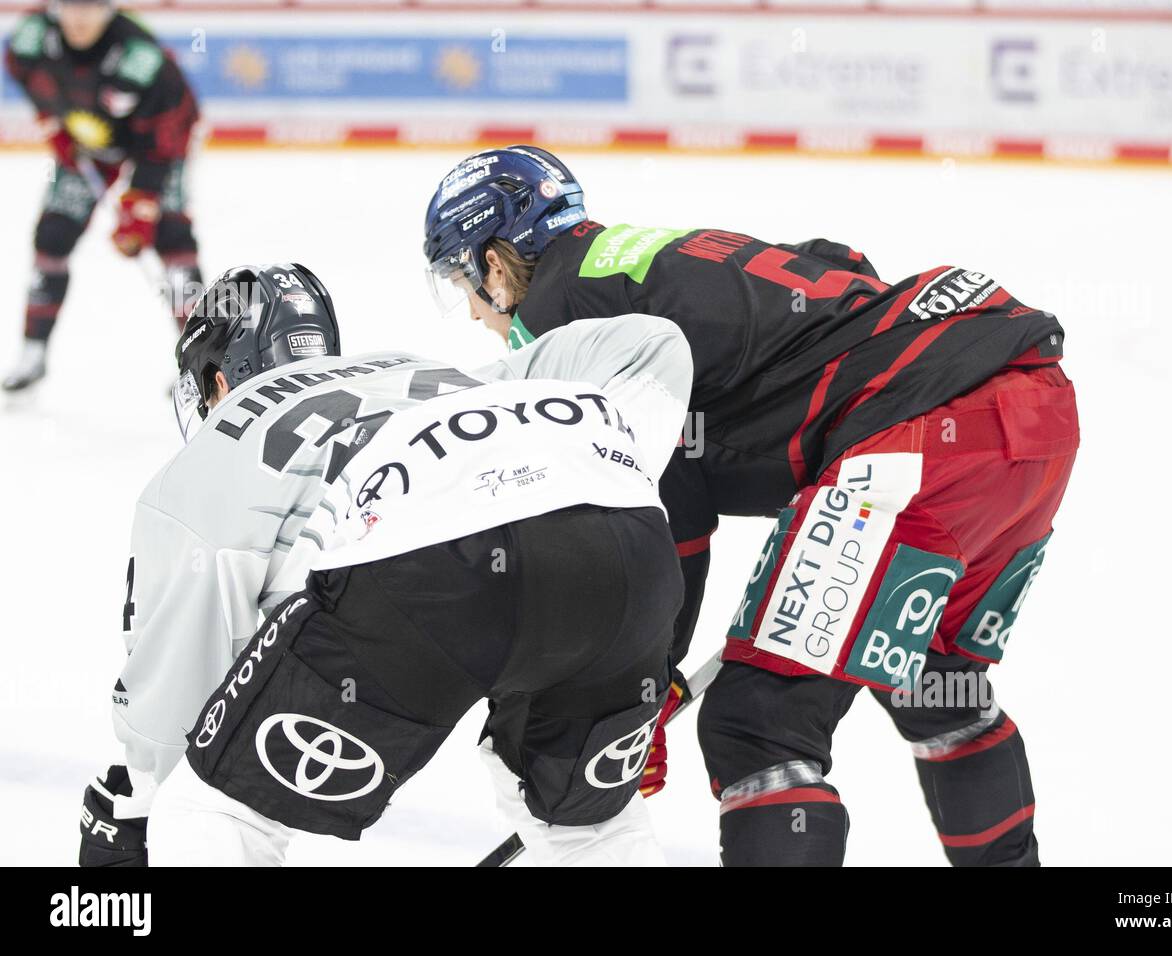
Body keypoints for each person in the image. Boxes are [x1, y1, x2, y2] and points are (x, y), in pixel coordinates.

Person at [422, 145, 1080, 866]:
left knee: (760, 725)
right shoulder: (638, 258)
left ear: (493, 263)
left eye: (464, 280)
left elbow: (663, 516)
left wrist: (642, 685)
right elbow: (839, 261)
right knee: (935, 683)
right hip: (1028, 414)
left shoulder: (564, 316)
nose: (479, 316)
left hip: (915, 440)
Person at [115, 264, 691, 867]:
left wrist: (136, 805)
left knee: (215, 810)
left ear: (219, 379)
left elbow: (174, 701)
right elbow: (655, 342)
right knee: (590, 830)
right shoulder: (425, 370)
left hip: (426, 574)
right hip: (626, 544)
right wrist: (587, 487)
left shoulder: (227, 435)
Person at [3, 0, 202, 392]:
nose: (79, 18)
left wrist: (140, 204)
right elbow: (20, 69)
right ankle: (33, 351)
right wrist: (51, 121)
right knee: (53, 235)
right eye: (70, 7)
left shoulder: (140, 56)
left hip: (158, 147)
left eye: (91, 7)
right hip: (88, 143)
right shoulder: (32, 37)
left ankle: (206, 359)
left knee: (173, 241)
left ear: (110, 10)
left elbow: (170, 132)